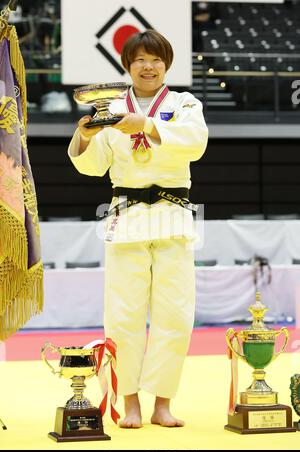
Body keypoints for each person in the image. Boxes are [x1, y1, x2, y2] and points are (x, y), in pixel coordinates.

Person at [68, 30, 208, 428]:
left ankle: (162, 402)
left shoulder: (184, 104)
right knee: (124, 314)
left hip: (173, 215)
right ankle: (129, 402)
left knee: (175, 313)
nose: (148, 66)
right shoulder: (109, 107)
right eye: (140, 60)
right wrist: (86, 134)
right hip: (125, 216)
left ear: (167, 64)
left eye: (156, 59)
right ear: (127, 65)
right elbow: (92, 165)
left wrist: (145, 123)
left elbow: (196, 143)